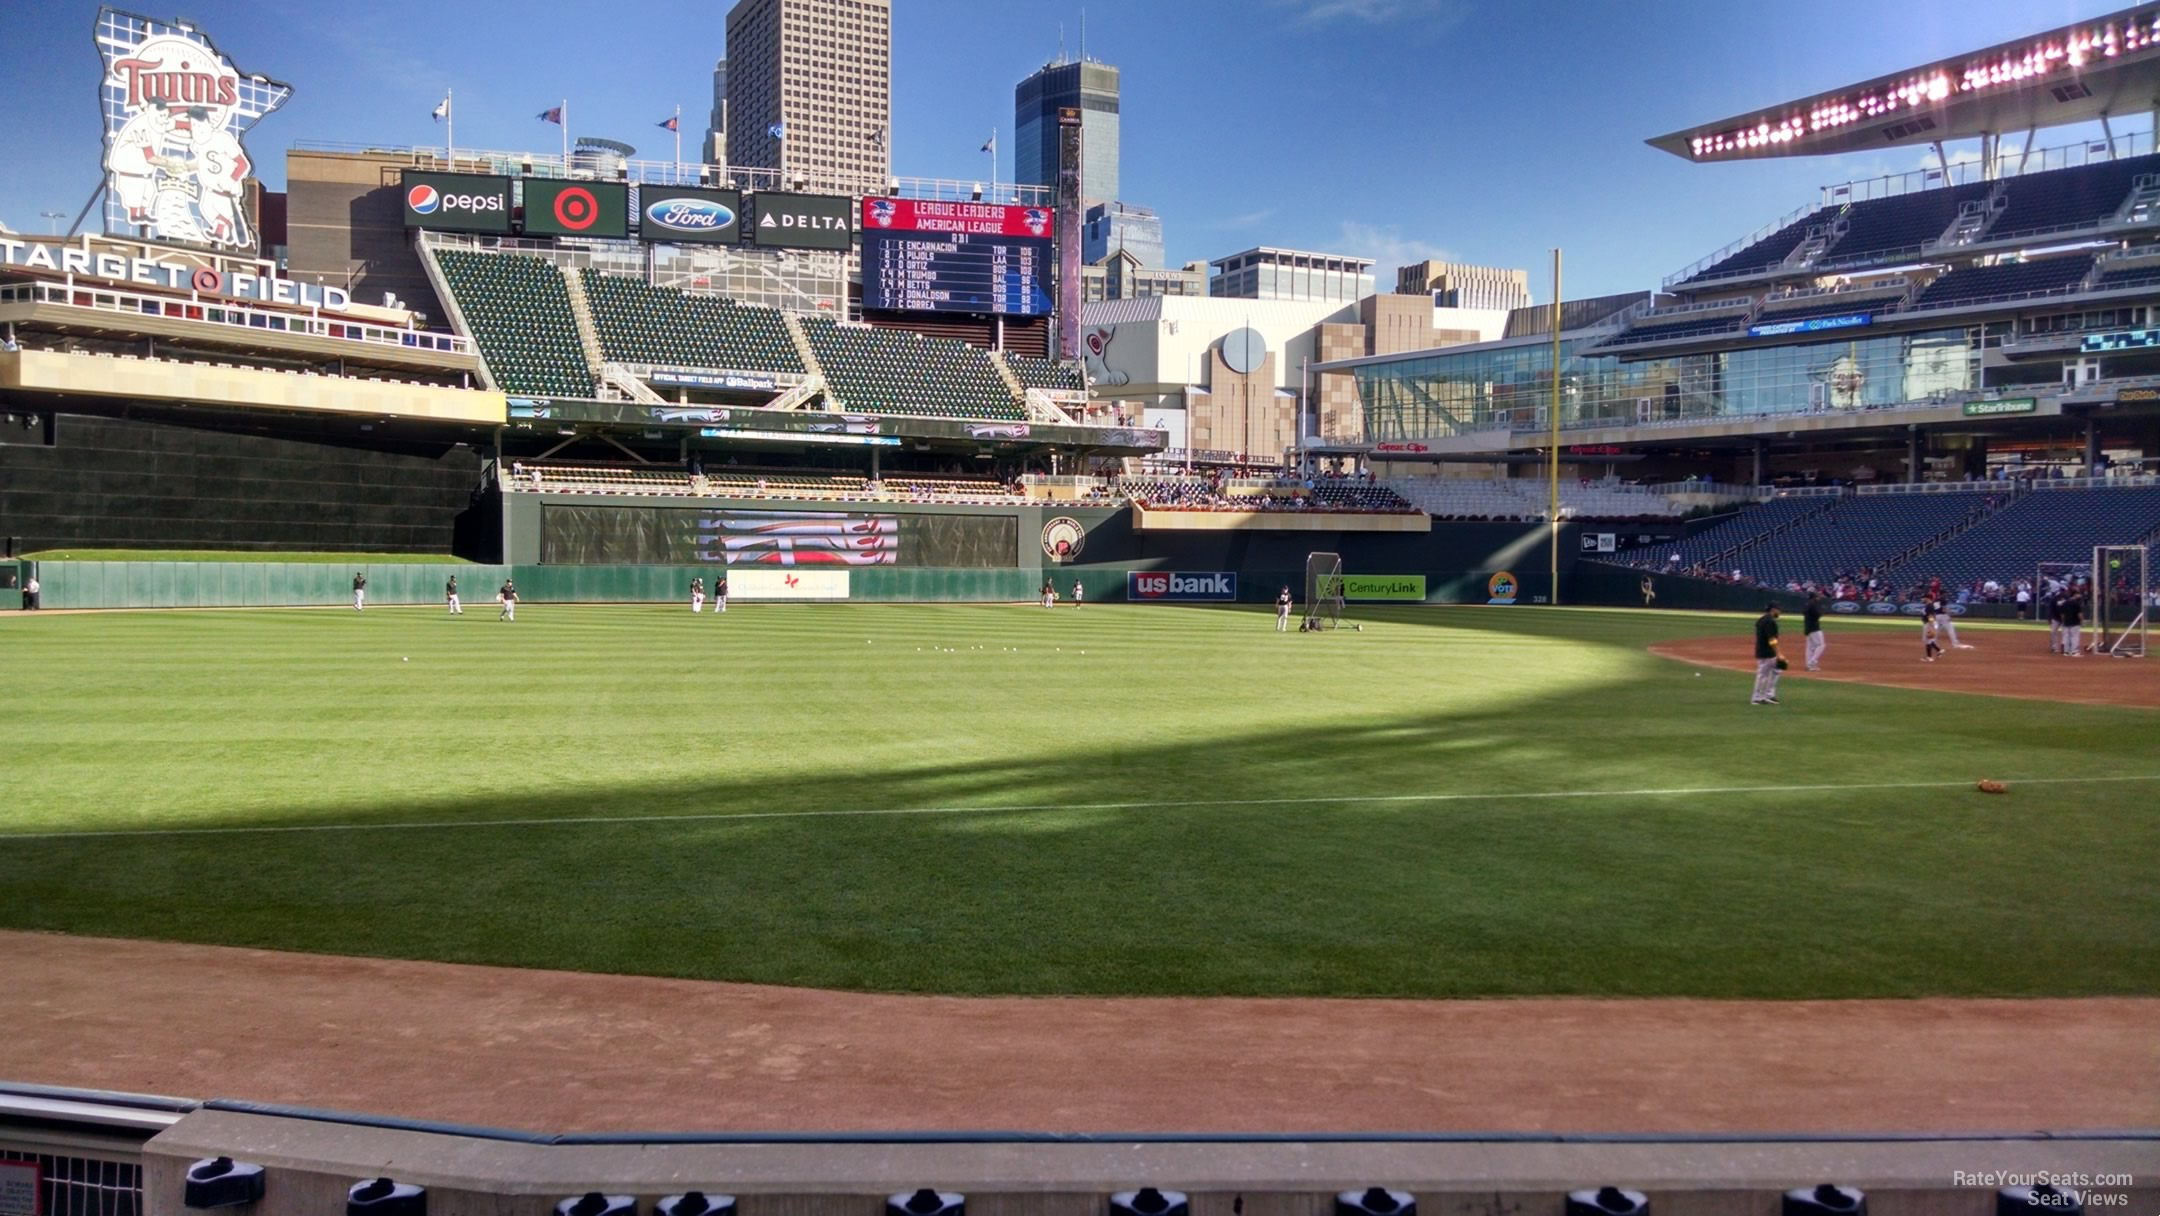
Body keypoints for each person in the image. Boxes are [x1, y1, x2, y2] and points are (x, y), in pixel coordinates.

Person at [1751, 602, 1783, 705]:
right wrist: (1778, 653)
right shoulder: (1769, 621)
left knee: (1777, 669)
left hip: (1763, 650)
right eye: (1778, 609)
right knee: (1762, 674)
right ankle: (1757, 698)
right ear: (1773, 609)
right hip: (1766, 652)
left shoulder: (1762, 619)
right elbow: (1772, 639)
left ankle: (1769, 695)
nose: (1780, 611)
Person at [1803, 592, 1826, 671]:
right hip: (1814, 628)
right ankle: (1812, 662)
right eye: (1817, 597)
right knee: (1821, 645)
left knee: (1810, 647)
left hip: (1808, 627)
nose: (1819, 598)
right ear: (1814, 597)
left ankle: (1809, 665)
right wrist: (1822, 611)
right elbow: (1817, 615)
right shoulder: (1813, 604)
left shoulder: (1807, 604)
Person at [2061, 586, 2084, 657]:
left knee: (2066, 637)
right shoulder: (2077, 603)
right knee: (2074, 637)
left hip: (2066, 622)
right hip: (2074, 623)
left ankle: (2066, 652)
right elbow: (2079, 614)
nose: (2079, 595)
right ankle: (2074, 652)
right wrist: (2082, 621)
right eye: (2078, 594)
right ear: (2075, 594)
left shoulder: (2065, 603)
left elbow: (2062, 614)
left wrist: (2063, 621)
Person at [1921, 595, 1943, 662]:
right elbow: (1933, 615)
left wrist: (1931, 626)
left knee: (1927, 640)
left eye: (1923, 598)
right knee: (1929, 640)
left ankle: (1929, 657)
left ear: (1927, 598)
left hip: (1929, 624)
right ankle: (1939, 650)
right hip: (1930, 623)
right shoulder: (1929, 605)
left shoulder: (1929, 606)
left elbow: (1931, 616)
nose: (1922, 600)